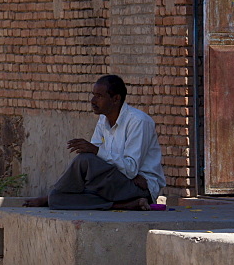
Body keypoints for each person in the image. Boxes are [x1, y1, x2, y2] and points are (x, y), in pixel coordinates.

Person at [24, 74, 165, 211]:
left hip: (138, 187)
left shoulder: (138, 121)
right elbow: (99, 162)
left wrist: (96, 151)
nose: (93, 101)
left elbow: (130, 169)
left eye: (99, 96)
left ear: (116, 99)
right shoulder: (103, 120)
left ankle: (50, 197)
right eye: (93, 95)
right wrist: (96, 157)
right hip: (113, 182)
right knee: (57, 199)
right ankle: (124, 205)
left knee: (84, 160)